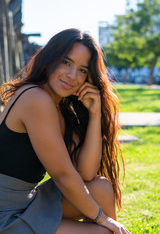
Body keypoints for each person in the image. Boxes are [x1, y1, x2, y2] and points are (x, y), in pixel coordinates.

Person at [0, 28, 131, 234]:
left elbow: (86, 173)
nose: (72, 76)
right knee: (105, 232)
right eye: (66, 62)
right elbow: (63, 175)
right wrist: (103, 219)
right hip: (5, 216)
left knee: (102, 187)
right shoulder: (36, 99)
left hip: (27, 203)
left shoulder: (58, 109)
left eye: (83, 70)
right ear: (50, 59)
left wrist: (95, 115)